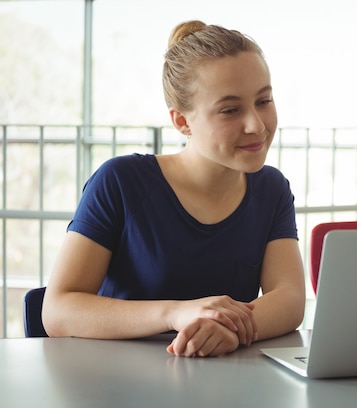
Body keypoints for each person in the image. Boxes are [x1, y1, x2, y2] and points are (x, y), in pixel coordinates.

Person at [42, 21, 306, 357]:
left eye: (264, 101)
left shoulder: (272, 188)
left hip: (225, 388)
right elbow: (58, 310)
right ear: (182, 121)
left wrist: (226, 330)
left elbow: (289, 298)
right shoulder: (120, 181)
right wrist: (176, 313)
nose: (256, 125)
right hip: (118, 389)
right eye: (230, 110)